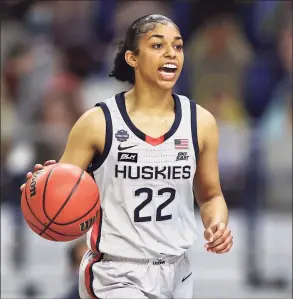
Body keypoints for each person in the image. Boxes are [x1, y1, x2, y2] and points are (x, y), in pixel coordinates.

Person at [21, 14, 233, 299]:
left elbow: (210, 196)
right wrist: (42, 190)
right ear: (132, 58)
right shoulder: (97, 122)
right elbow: (63, 195)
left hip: (177, 272)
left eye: (178, 46)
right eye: (158, 45)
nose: (171, 53)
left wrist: (217, 224)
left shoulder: (200, 122)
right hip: (116, 273)